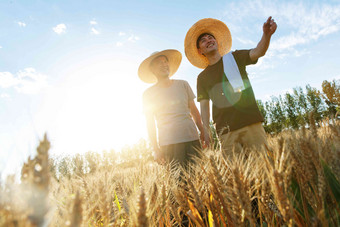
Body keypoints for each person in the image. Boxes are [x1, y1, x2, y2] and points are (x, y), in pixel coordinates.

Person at [184, 17, 277, 155]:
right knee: (237, 175)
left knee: (264, 167)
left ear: (216, 42)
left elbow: (258, 51)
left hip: (251, 123)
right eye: (203, 40)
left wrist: (266, 35)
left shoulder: (235, 57)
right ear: (200, 51)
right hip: (225, 132)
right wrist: (206, 133)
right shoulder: (202, 78)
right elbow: (204, 108)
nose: (208, 40)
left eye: (211, 38)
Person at [138, 49, 205, 169]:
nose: (164, 65)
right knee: (178, 184)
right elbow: (150, 124)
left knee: (200, 180)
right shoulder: (148, 94)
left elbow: (194, 111)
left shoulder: (183, 84)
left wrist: (203, 131)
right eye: (159, 63)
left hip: (192, 139)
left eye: (165, 62)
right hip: (169, 144)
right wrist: (155, 149)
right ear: (152, 69)